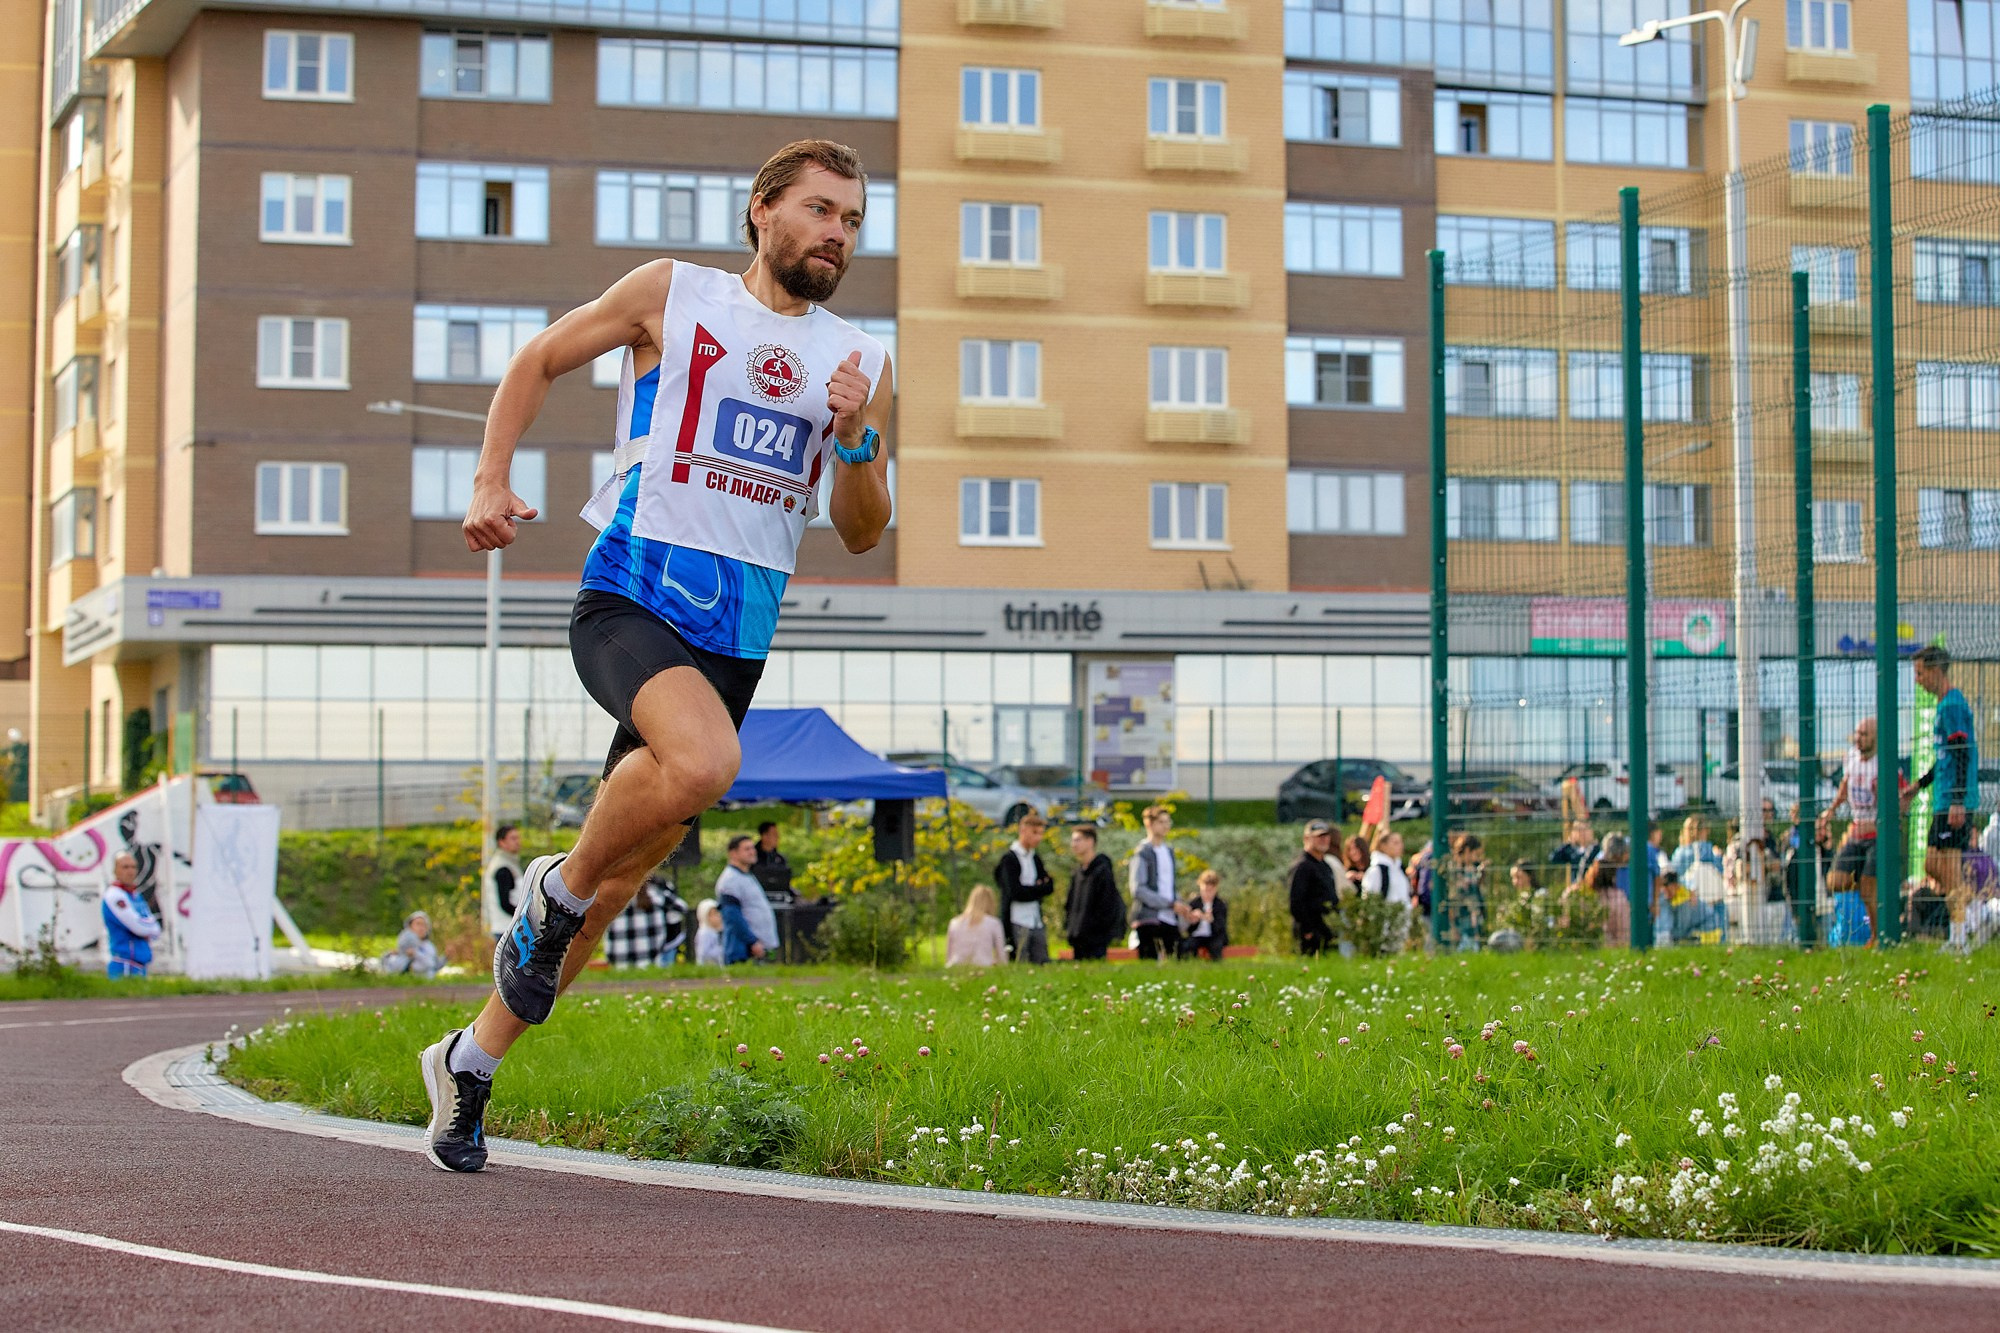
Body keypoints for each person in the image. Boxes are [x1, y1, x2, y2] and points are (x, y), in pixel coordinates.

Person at [418, 139, 895, 1172]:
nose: (837, 235)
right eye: (819, 211)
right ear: (762, 210)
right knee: (707, 765)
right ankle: (552, 889)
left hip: (738, 635)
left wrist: (855, 440)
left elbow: (862, 528)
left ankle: (469, 1062)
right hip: (632, 592)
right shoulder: (670, 296)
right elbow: (536, 359)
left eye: (853, 221)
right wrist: (488, 480)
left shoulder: (857, 361)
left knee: (615, 888)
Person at [1902, 645, 1981, 954]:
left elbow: (1961, 752)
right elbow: (1945, 758)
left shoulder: (1952, 705)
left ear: (1935, 671)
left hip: (1953, 802)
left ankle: (1961, 935)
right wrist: (1919, 786)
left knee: (1947, 867)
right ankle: (1965, 922)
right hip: (1943, 799)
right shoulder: (1943, 706)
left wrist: (1959, 801)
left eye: (1920, 673)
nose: (1918, 680)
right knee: (1934, 865)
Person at [993, 813, 1055, 964]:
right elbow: (1015, 892)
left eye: (1041, 833)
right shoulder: (1010, 859)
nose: (1038, 838)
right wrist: (1037, 888)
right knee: (1021, 957)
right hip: (1017, 918)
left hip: (1035, 917)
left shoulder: (1035, 858)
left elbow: (1049, 886)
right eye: (1035, 833)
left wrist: (1032, 889)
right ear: (1023, 830)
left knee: (1041, 958)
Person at [1062, 825, 1123, 961]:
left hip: (1096, 939)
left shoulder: (1102, 871)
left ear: (1090, 841)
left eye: (1078, 840)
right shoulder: (1077, 873)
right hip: (1077, 937)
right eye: (1073, 841)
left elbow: (1107, 905)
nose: (1074, 845)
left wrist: (1098, 929)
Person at [716, 835, 780, 965]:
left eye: (752, 848)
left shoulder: (746, 875)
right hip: (744, 951)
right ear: (733, 853)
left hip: (759, 949)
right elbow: (731, 916)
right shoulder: (730, 879)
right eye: (747, 849)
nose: (753, 851)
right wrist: (752, 942)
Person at [1130, 805, 1181, 962]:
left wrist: (1180, 905)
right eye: (1161, 822)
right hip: (1150, 918)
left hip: (1170, 918)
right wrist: (1168, 904)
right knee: (1150, 964)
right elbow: (1138, 888)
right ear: (1149, 824)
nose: (1166, 826)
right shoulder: (1143, 852)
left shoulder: (1169, 852)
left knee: (1174, 961)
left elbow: (1170, 885)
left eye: (1168, 822)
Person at [101, 853, 161, 979]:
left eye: (133, 867)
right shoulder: (115, 896)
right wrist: (146, 925)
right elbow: (138, 927)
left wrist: (146, 925)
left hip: (140, 965)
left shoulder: (135, 895)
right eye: (125, 867)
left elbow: (156, 928)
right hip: (124, 966)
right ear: (115, 870)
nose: (130, 871)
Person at [1288, 819, 1340, 956]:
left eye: (1326, 836)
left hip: (1326, 928)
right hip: (1310, 932)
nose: (1324, 840)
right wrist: (1308, 930)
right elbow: (1296, 902)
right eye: (1318, 837)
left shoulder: (1324, 865)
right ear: (1306, 839)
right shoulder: (1303, 866)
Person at [1439, 833, 1486, 952]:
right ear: (1467, 851)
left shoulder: (1471, 869)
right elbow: (1454, 896)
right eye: (1476, 854)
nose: (1477, 859)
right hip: (1460, 916)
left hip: (1472, 916)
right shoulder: (1453, 870)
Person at [945, 885, 1008, 967]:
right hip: (983, 966)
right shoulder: (994, 923)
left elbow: (949, 955)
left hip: (955, 966)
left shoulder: (954, 922)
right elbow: (1001, 955)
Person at [480, 823, 524, 942]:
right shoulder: (502, 867)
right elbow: (504, 903)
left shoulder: (510, 862)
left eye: (518, 838)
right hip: (506, 928)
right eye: (513, 838)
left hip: (511, 927)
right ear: (502, 842)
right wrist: (524, 917)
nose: (517, 842)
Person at [1179, 870, 1229, 962]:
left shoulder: (1220, 905)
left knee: (1216, 947)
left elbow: (1221, 928)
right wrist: (1192, 920)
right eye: (1205, 890)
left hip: (1214, 936)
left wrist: (1211, 920)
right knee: (1186, 946)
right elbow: (1188, 929)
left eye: (1210, 891)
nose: (1207, 893)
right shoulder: (1194, 903)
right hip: (1197, 935)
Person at [383, 911, 443, 979]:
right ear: (410, 926)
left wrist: (415, 953)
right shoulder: (403, 945)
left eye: (424, 925)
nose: (421, 928)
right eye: (418, 924)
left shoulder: (430, 947)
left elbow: (432, 965)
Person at [752, 820, 795, 903]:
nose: (778, 837)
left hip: (779, 898)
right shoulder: (752, 857)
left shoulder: (780, 858)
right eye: (774, 834)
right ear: (764, 836)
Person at [1549, 821, 1596, 887]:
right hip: (1576, 886)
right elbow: (1553, 858)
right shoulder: (1572, 851)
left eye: (1585, 830)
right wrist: (1568, 843)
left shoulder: (1596, 849)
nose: (1582, 834)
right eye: (1579, 830)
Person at [693, 898, 726, 966]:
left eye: (717, 913)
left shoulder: (713, 932)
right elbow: (704, 953)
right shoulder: (705, 933)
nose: (717, 916)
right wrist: (722, 950)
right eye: (712, 914)